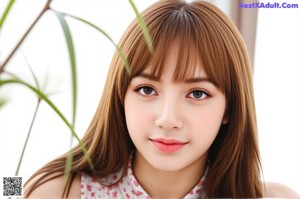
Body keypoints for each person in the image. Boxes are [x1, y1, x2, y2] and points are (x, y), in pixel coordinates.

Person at [24, 0, 300, 198]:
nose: (167, 119)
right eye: (147, 90)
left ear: (230, 107)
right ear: (120, 95)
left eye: (197, 93)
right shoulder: (55, 192)